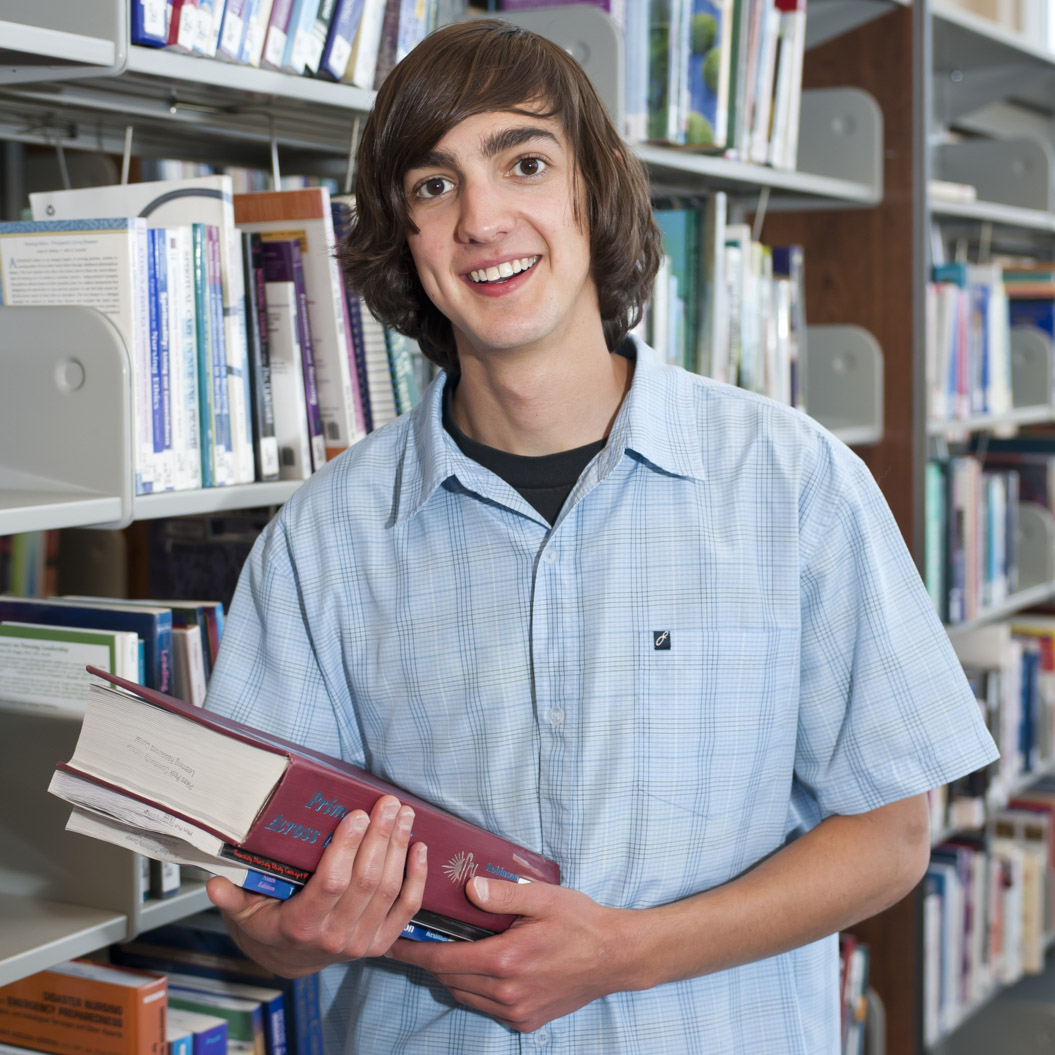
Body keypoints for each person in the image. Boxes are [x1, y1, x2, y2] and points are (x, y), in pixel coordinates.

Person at [202, 17, 998, 1054]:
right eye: (433, 186)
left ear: (592, 190)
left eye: (522, 163)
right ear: (403, 234)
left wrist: (624, 951)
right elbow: (263, 909)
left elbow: (892, 836)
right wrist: (301, 936)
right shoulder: (327, 534)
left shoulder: (792, 482)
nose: (482, 219)